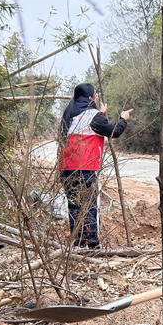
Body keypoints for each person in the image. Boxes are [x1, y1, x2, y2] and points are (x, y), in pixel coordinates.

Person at [58, 83, 130, 249]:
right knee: (90, 205)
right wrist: (123, 119)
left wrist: (101, 113)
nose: (97, 97)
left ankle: (78, 243)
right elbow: (114, 131)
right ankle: (91, 245)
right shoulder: (93, 116)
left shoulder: (68, 115)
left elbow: (89, 127)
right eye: (96, 94)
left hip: (67, 169)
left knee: (74, 206)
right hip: (86, 169)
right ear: (90, 98)